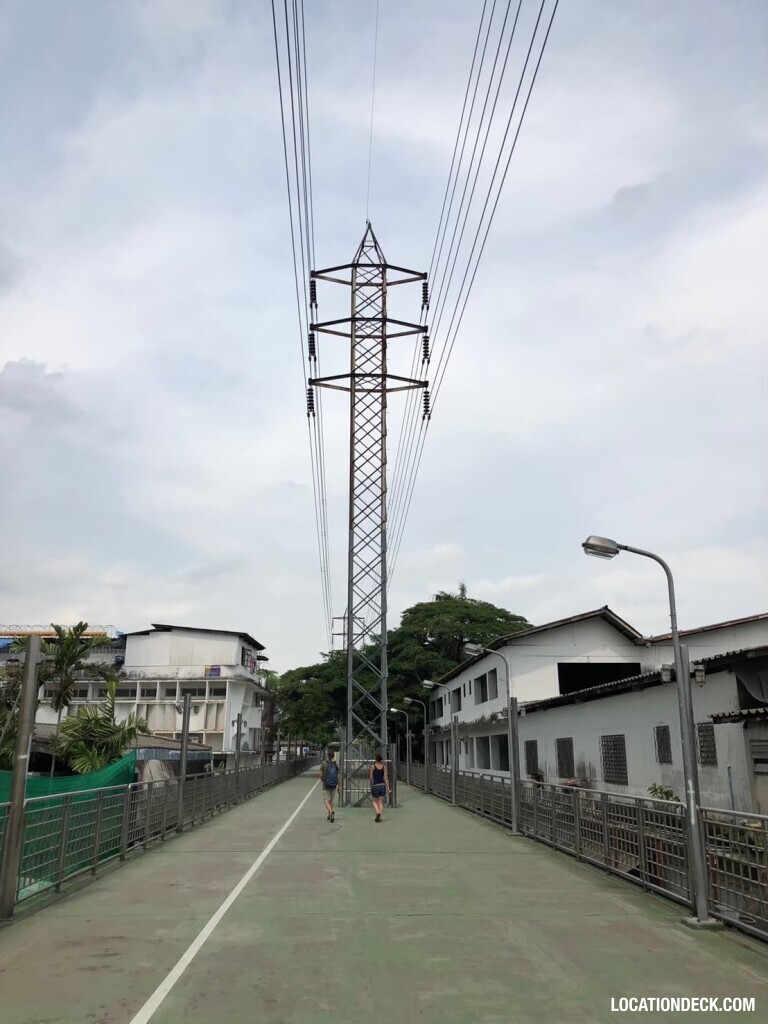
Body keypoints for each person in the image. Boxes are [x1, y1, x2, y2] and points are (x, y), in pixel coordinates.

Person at [369, 752, 390, 823]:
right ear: (381, 760)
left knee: (374, 801)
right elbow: (385, 778)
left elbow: (371, 777)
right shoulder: (384, 767)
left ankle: (377, 812)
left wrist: (371, 785)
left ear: (375, 760)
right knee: (380, 801)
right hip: (382, 785)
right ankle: (379, 816)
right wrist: (388, 788)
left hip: (375, 785)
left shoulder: (372, 767)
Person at [320, 750, 340, 822]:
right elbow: (339, 775)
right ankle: (329, 815)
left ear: (327, 756)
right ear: (333, 756)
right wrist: (339, 785)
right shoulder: (336, 764)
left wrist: (323, 780)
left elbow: (321, 775)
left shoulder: (324, 763)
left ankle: (331, 812)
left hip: (326, 785)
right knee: (331, 800)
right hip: (334, 785)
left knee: (326, 801)